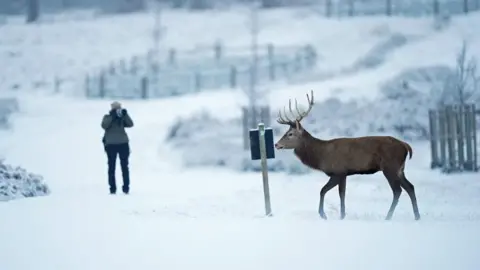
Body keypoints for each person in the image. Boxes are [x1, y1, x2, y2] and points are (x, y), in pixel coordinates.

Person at [101, 101, 134, 195]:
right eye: (115, 109)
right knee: (112, 167)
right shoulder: (107, 117)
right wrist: (112, 116)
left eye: (119, 108)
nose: (117, 111)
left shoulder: (122, 117)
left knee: (124, 166)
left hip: (122, 144)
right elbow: (104, 126)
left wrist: (125, 115)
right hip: (112, 144)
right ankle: (113, 188)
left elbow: (131, 124)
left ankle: (125, 187)